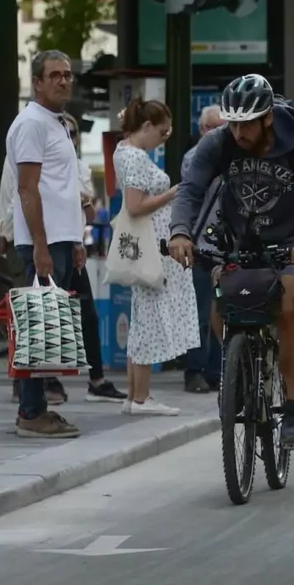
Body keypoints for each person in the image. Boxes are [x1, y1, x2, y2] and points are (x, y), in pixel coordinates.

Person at [167, 74, 294, 450]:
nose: (239, 132)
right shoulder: (218, 142)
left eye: (247, 124)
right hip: (237, 239)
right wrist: (180, 232)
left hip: (292, 242)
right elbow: (191, 190)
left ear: (268, 118)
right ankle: (240, 370)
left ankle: (292, 410)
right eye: (233, 123)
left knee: (289, 305)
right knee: (220, 308)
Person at [6, 50, 86, 437]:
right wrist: (40, 246)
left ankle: (37, 408)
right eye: (54, 75)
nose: (63, 81)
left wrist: (76, 240)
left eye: (67, 74)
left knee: (47, 329)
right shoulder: (31, 124)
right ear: (37, 82)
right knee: (36, 327)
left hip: (60, 239)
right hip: (42, 242)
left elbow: (62, 188)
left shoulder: (57, 122)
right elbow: (27, 189)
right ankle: (31, 412)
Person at [113, 97, 198, 415]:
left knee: (141, 318)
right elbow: (136, 206)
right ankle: (141, 397)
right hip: (152, 245)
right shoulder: (135, 157)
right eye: (162, 133)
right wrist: (173, 193)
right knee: (148, 319)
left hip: (145, 244)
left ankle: (134, 395)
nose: (163, 139)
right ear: (147, 126)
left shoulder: (124, 151)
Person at [60, 111, 127, 403]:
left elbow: (88, 213)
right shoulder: (44, 163)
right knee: (47, 313)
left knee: (88, 314)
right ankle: (37, 381)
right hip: (49, 244)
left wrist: (82, 202)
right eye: (63, 132)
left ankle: (96, 378)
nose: (69, 139)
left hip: (73, 243)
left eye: (73, 134)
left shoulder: (79, 167)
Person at [181, 105, 227, 393]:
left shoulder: (233, 156)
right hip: (199, 246)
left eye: (223, 127)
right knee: (199, 311)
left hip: (225, 246)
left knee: (221, 307)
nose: (218, 133)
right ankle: (194, 370)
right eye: (212, 127)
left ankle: (215, 370)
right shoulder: (194, 157)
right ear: (201, 130)